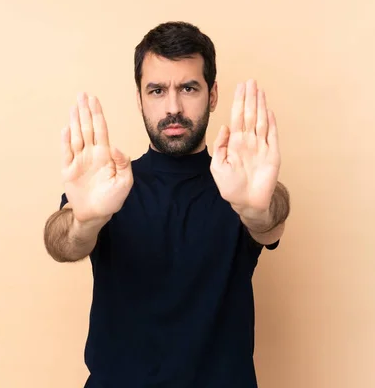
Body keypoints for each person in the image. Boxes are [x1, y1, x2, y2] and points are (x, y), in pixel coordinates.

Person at [43, 21, 291, 388]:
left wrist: (257, 210)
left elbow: (270, 220)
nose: (172, 107)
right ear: (139, 97)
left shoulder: (238, 183)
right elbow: (62, 242)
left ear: (213, 94)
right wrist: (86, 221)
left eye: (188, 88)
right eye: (157, 90)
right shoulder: (109, 186)